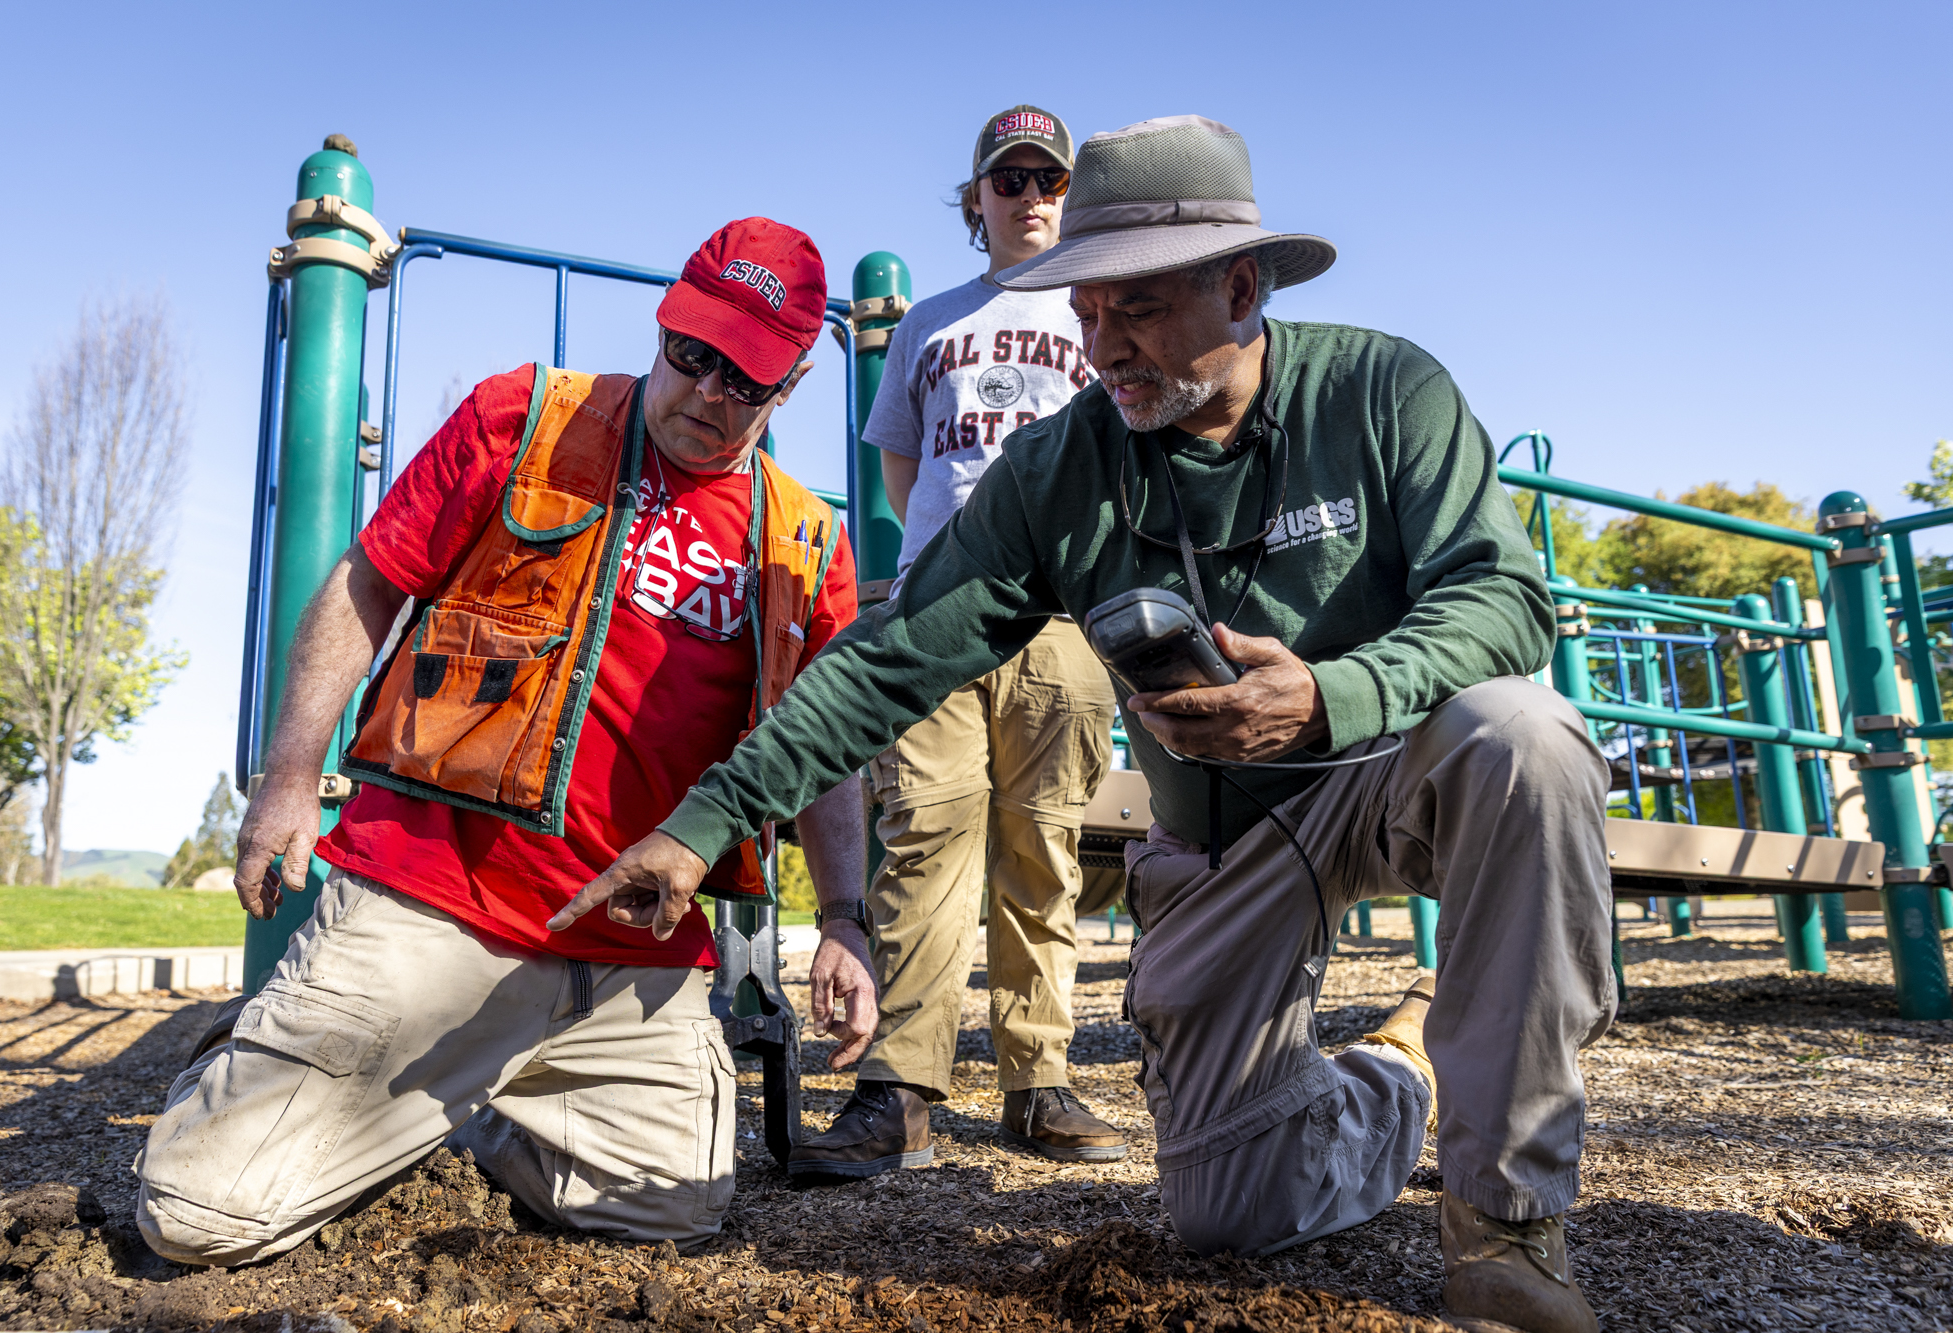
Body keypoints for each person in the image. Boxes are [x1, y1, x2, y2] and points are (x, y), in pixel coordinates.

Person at [555, 119, 1614, 1333]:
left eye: (1137, 311)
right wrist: (701, 827)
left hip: (1391, 763)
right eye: (1085, 310)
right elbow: (892, 657)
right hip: (1220, 835)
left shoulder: (1383, 388)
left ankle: (1509, 1222)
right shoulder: (1062, 464)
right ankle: (1399, 1068)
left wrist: (1330, 693)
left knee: (1525, 738)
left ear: (1239, 284)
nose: (1099, 347)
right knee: (1230, 1209)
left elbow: (1502, 598)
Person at [134, 218, 877, 1266]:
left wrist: (845, 918)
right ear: (665, 323)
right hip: (437, 905)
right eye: (689, 354)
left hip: (632, 952)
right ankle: (280, 1067)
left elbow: (827, 748)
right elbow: (367, 582)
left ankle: (457, 1103)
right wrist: (291, 772)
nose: (704, 392)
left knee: (672, 1211)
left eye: (742, 380)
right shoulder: (522, 420)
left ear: (789, 386)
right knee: (199, 1218)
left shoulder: (803, 539)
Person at [788, 104, 1125, 1181]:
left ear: (1067, 194)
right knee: (924, 831)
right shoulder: (930, 323)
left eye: (1047, 180)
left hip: (1063, 611)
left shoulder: (1099, 315)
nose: (1030, 197)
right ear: (975, 200)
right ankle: (901, 1090)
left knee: (1044, 845)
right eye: (1008, 180)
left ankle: (1037, 1081)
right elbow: (903, 473)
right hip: (940, 609)